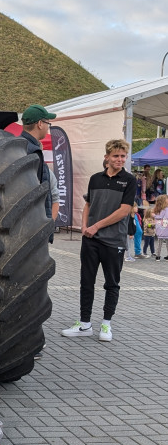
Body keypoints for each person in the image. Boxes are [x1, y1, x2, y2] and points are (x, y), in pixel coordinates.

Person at [62, 139, 136, 342]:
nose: (120, 159)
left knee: (112, 284)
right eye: (116, 156)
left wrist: (96, 226)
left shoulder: (129, 181)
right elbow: (88, 204)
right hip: (91, 240)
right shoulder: (95, 179)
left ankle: (106, 325)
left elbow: (124, 210)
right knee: (86, 282)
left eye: (123, 156)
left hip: (114, 241)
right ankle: (84, 324)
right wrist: (84, 226)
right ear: (107, 157)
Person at [21, 104, 57, 241]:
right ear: (40, 124)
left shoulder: (19, 146)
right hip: (33, 227)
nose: (48, 127)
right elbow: (36, 192)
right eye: (48, 123)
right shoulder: (32, 151)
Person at [153, 193, 168, 260]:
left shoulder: (157, 209)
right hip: (166, 227)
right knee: (167, 243)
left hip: (159, 227)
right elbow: (166, 217)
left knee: (159, 243)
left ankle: (158, 256)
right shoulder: (166, 209)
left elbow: (156, 216)